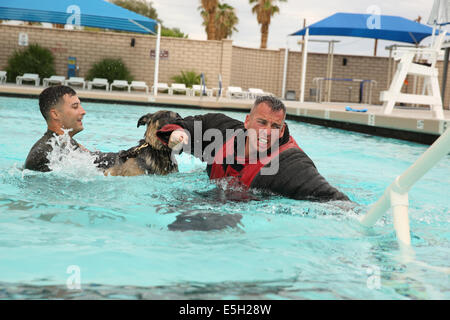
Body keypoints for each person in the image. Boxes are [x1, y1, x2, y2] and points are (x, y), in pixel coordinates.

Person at [157, 95, 350, 202]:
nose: (267, 132)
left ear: (282, 129)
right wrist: (177, 132)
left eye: (275, 126)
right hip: (213, 198)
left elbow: (333, 199)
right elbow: (192, 123)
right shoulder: (225, 131)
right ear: (247, 121)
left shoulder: (291, 164)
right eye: (262, 122)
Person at [24, 85, 118, 172]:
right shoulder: (44, 153)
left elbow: (95, 159)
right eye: (75, 107)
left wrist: (127, 155)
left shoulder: (67, 143)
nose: (83, 111)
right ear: (55, 114)